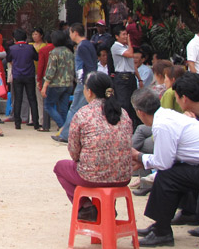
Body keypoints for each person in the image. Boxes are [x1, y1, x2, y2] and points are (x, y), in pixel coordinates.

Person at [53, 71, 133, 222]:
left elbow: (74, 152)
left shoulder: (83, 114)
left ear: (89, 92)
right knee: (111, 163)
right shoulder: (123, 113)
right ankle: (108, 208)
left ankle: (85, 207)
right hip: (123, 176)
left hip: (91, 176)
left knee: (60, 167)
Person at [131, 87, 199, 247]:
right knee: (171, 173)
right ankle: (161, 225)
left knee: (167, 176)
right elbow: (167, 158)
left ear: (139, 112)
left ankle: (162, 232)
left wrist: (139, 156)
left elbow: (163, 162)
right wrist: (144, 159)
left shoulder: (161, 125)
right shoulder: (167, 115)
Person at [42, 31, 74, 140]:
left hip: (56, 84)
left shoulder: (54, 52)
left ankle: (63, 127)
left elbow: (51, 70)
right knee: (63, 108)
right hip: (68, 83)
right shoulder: (69, 52)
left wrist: (45, 85)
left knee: (48, 105)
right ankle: (65, 132)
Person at [7, 28, 39, 131]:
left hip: (17, 75)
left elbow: (8, 59)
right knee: (32, 99)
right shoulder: (30, 47)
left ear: (15, 39)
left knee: (18, 99)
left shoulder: (12, 48)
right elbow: (36, 57)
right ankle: (36, 123)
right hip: (29, 75)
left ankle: (17, 123)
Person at [111, 26, 140, 128]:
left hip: (131, 76)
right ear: (116, 36)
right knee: (124, 104)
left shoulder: (126, 47)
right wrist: (130, 42)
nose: (125, 37)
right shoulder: (116, 46)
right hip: (122, 77)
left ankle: (133, 127)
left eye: (126, 34)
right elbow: (130, 54)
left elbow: (132, 65)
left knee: (133, 103)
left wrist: (139, 78)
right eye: (123, 34)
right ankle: (123, 126)